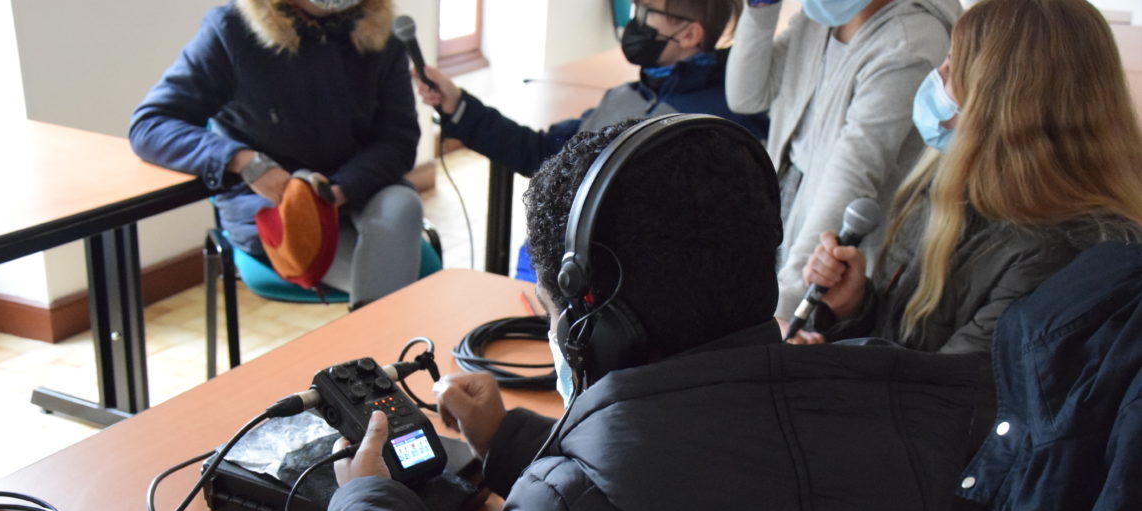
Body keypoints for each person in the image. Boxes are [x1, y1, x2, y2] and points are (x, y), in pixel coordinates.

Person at [318, 115, 994, 511]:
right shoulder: (860, 411)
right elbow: (702, 486)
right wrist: (512, 443)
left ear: (592, 325)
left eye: (554, 312)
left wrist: (365, 505)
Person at [798, 0, 1142, 354]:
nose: (937, 77)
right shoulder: (949, 190)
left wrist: (823, 368)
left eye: (951, 67)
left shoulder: (1055, 255)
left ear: (1001, 105)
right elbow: (904, 341)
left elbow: (946, 393)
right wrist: (853, 307)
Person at [129, 0, 423, 309]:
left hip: (358, 190)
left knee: (401, 206)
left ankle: (374, 344)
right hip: (275, 207)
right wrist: (243, 161)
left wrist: (336, 192)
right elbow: (151, 125)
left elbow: (398, 140)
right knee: (392, 283)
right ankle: (382, 345)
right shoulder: (232, 29)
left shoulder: (381, 32)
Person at [724, 0, 958, 333]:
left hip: (830, 251)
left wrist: (787, 306)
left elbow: (852, 175)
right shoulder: (820, 17)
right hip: (785, 214)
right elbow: (747, 97)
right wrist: (761, 10)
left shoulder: (909, 41)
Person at [412, 0, 768, 179]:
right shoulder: (627, 97)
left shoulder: (719, 125)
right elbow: (544, 155)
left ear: (690, 34)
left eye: (646, 13)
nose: (634, 23)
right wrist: (458, 105)